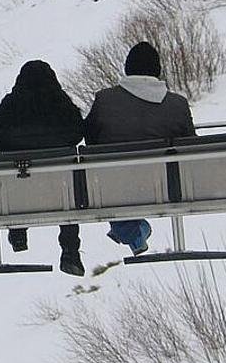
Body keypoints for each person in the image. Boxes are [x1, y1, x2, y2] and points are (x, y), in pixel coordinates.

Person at [83, 41, 196, 256]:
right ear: (157, 70)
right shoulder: (178, 104)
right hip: (167, 185)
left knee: (116, 178)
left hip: (116, 185)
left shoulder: (105, 100)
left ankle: (132, 230)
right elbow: (190, 145)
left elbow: (91, 139)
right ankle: (131, 231)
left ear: (127, 69)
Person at [0, 60, 86, 275]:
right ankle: (70, 250)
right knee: (67, 196)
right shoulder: (60, 102)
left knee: (15, 183)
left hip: (21, 178)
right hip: (60, 182)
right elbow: (78, 132)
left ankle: (18, 232)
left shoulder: (11, 103)